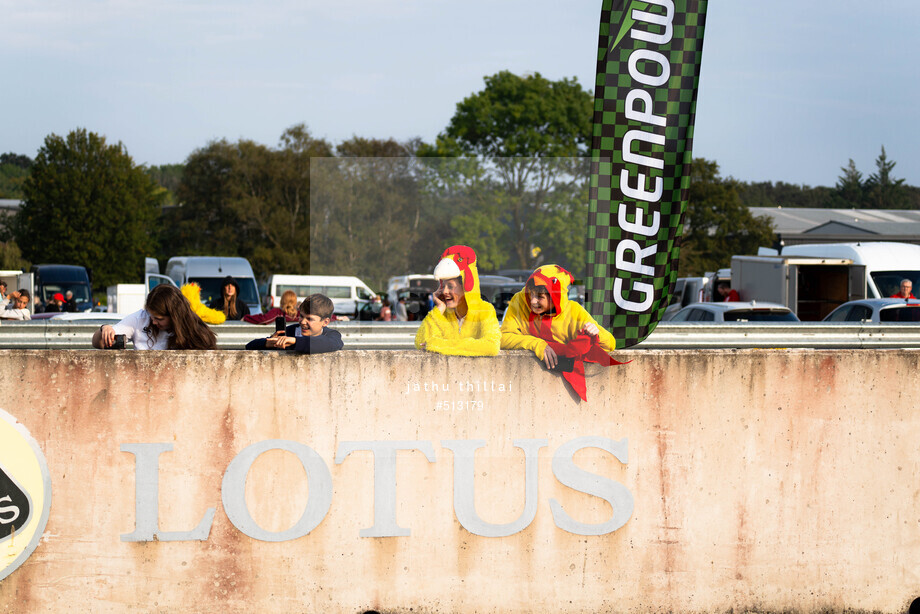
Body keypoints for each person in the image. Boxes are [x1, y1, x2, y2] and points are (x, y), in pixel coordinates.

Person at [500, 264, 624, 401]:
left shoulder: (574, 312)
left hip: (565, 394)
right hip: (522, 387)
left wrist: (596, 332)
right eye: (531, 294)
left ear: (554, 297)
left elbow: (611, 344)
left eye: (540, 297)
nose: (533, 301)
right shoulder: (519, 301)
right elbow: (502, 338)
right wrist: (536, 344)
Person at [414, 245, 500, 356]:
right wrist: (438, 309)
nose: (444, 291)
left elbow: (491, 346)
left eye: (450, 286)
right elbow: (420, 342)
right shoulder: (443, 314)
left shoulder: (485, 310)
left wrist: (440, 345)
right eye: (443, 286)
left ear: (465, 287)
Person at [92, 284, 217, 350]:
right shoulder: (140, 318)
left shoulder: (193, 327)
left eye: (159, 319)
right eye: (152, 316)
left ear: (175, 316)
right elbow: (99, 343)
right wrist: (105, 329)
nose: (153, 321)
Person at [245, 293, 343, 354]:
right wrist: (268, 343)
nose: (303, 322)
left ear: (325, 322)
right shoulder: (290, 331)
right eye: (301, 316)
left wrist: (295, 341)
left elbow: (325, 343)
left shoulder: (332, 336)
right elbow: (249, 346)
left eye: (309, 319)